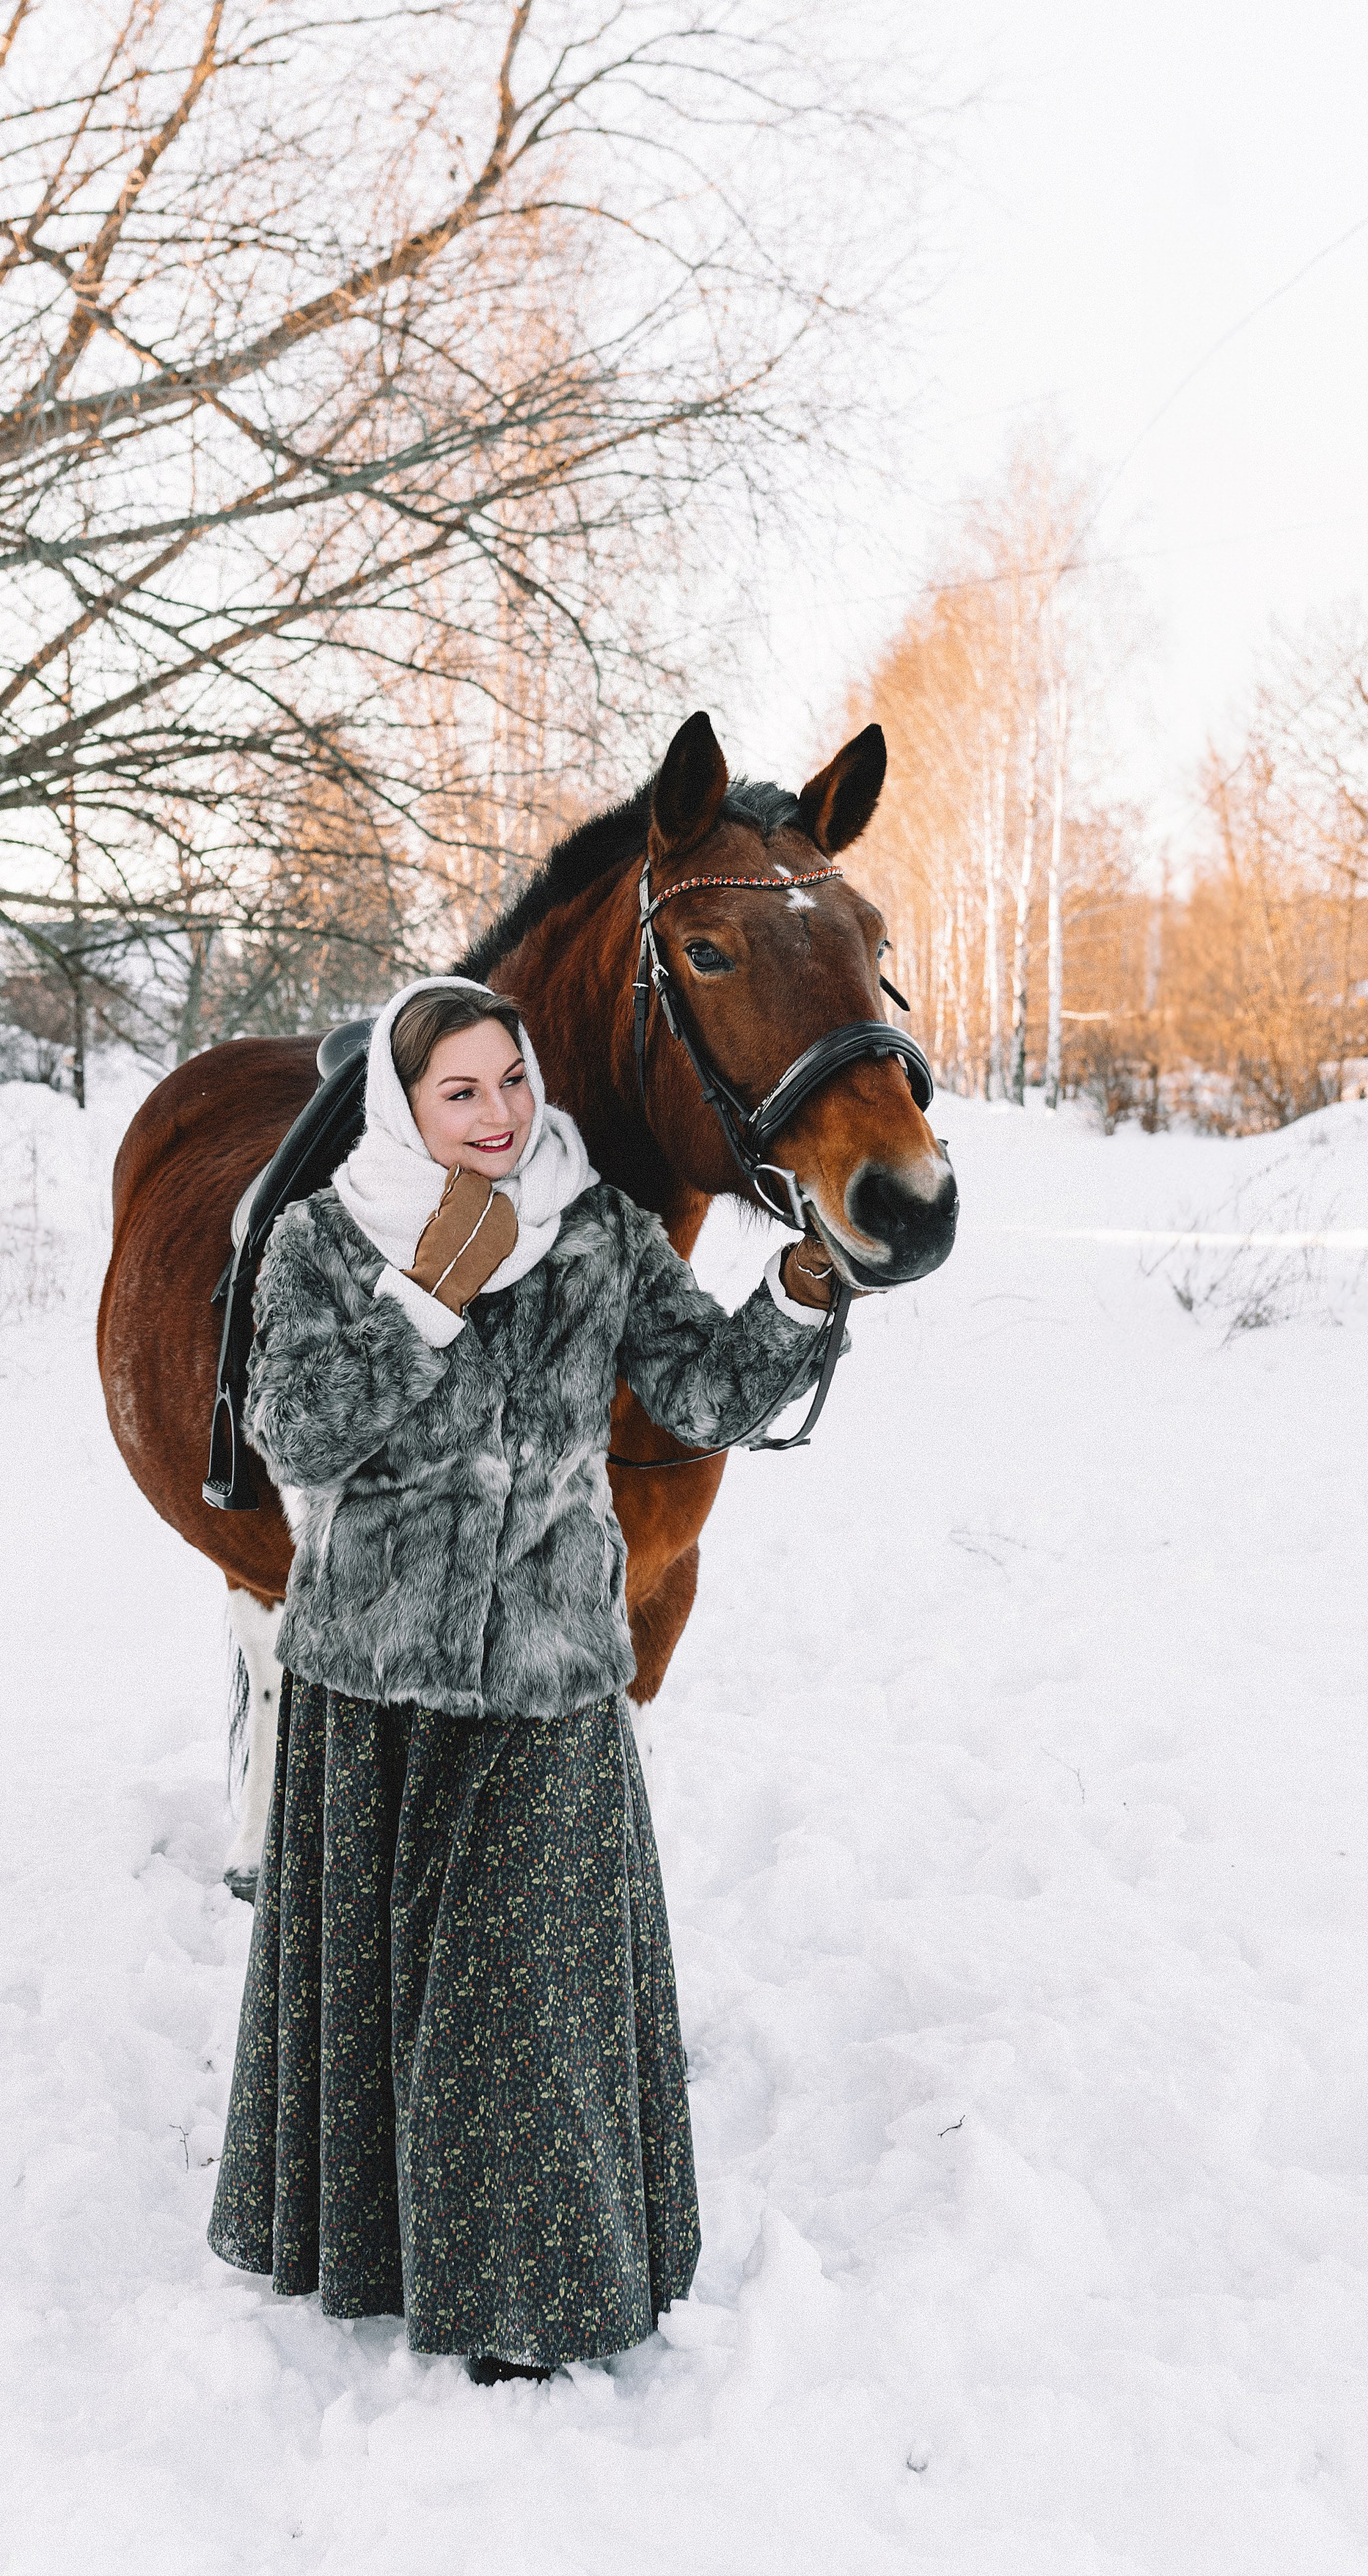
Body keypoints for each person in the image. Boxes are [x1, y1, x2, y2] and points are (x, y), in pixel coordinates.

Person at [207, 974, 839, 2382]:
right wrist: (426, 1294)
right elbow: (295, 1434)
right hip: (372, 1676)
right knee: (383, 2001)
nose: (498, 1114)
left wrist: (797, 1294)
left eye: (512, 1080)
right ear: (404, 1106)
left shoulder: (598, 1229)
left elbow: (704, 1391)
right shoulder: (325, 1239)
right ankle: (385, 2257)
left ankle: (530, 2301)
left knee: (526, 1998)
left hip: (550, 1667)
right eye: (460, 1091)